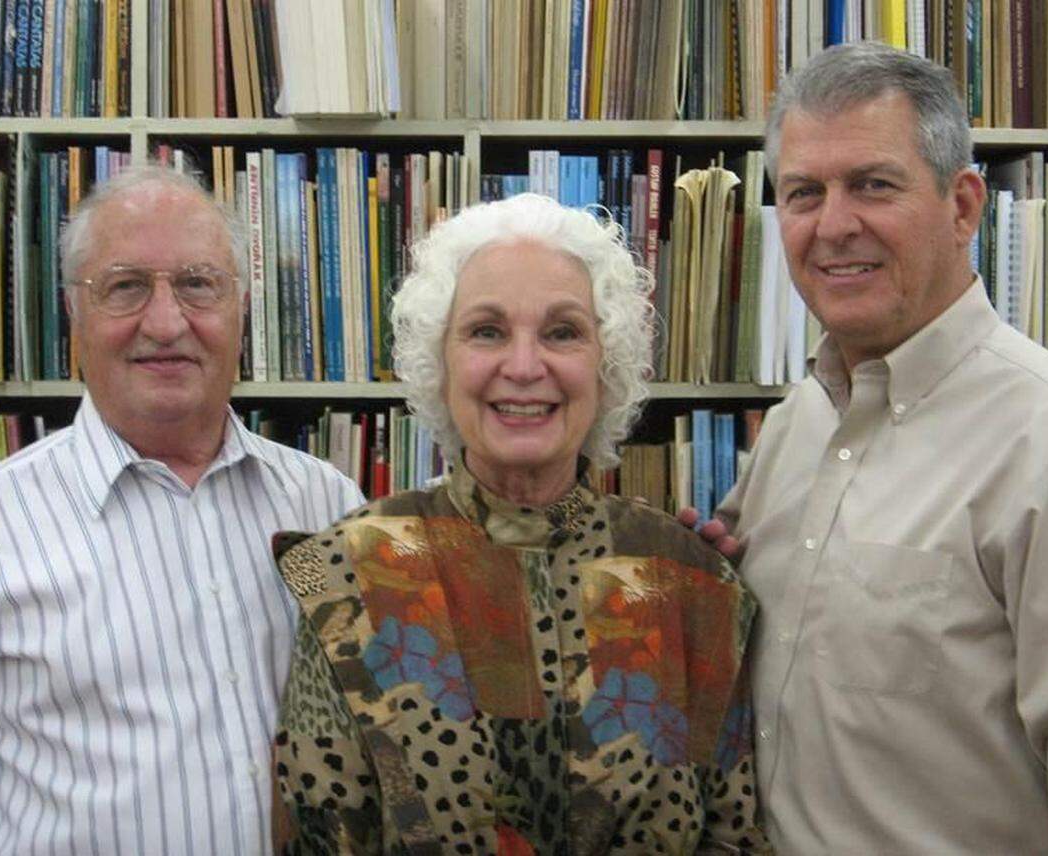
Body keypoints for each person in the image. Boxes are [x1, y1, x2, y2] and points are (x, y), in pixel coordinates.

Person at [270, 193, 770, 853]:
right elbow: (317, 839)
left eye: (562, 331)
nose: (526, 367)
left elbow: (734, 839)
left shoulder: (693, 581)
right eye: (487, 330)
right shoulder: (345, 574)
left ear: (605, 362)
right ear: (439, 362)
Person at [693, 42, 1048, 853]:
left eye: (873, 185)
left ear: (963, 205)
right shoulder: (798, 424)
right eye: (804, 193)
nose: (834, 225)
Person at [0, 165, 364, 855]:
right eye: (126, 287)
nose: (167, 322)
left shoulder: (327, 504)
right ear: (74, 315)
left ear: (241, 308)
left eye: (199, 284)